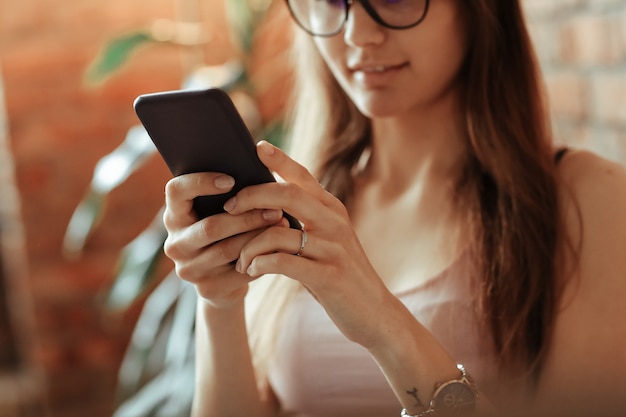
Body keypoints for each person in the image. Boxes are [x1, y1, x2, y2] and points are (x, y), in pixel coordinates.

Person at [162, 0, 626, 416]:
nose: (358, 34)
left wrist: (383, 323)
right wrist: (219, 304)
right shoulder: (298, 203)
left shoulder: (591, 198)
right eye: (332, 1)